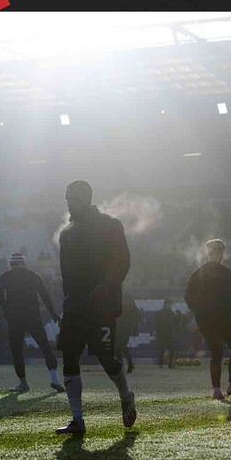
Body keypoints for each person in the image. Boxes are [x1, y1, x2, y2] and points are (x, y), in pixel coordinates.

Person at [54, 180, 136, 434]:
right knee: (69, 357)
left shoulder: (110, 225)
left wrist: (106, 284)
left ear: (85, 198)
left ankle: (126, 396)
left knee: (105, 357)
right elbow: (65, 274)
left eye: (71, 197)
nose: (67, 201)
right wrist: (66, 301)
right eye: (66, 197)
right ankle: (77, 419)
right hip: (74, 306)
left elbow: (123, 260)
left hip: (102, 306)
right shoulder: (66, 233)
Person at [0, 252, 64, 393]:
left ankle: (23, 384)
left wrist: (7, 310)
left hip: (15, 319)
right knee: (45, 348)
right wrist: (53, 314)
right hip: (33, 317)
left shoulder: (6, 276)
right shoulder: (33, 276)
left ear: (11, 264)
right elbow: (45, 296)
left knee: (17, 352)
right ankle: (54, 380)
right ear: (24, 264)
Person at [185, 239, 231, 399]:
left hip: (210, 319)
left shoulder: (199, 272)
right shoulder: (226, 273)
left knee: (219, 352)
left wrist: (199, 314)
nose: (219, 253)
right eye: (218, 251)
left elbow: (189, 297)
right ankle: (226, 387)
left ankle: (220, 389)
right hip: (221, 318)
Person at [116, 295, 140, 373]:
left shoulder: (127, 307)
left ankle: (124, 365)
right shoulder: (132, 308)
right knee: (121, 347)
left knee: (119, 347)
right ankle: (128, 364)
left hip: (121, 329)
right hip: (123, 329)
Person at [154, 300, 179, 368]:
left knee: (172, 350)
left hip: (170, 333)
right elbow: (157, 323)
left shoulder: (172, 313)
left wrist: (178, 316)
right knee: (161, 349)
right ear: (165, 305)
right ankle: (160, 363)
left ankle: (170, 364)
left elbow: (176, 323)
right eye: (168, 304)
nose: (169, 306)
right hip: (162, 333)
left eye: (170, 305)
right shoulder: (160, 313)